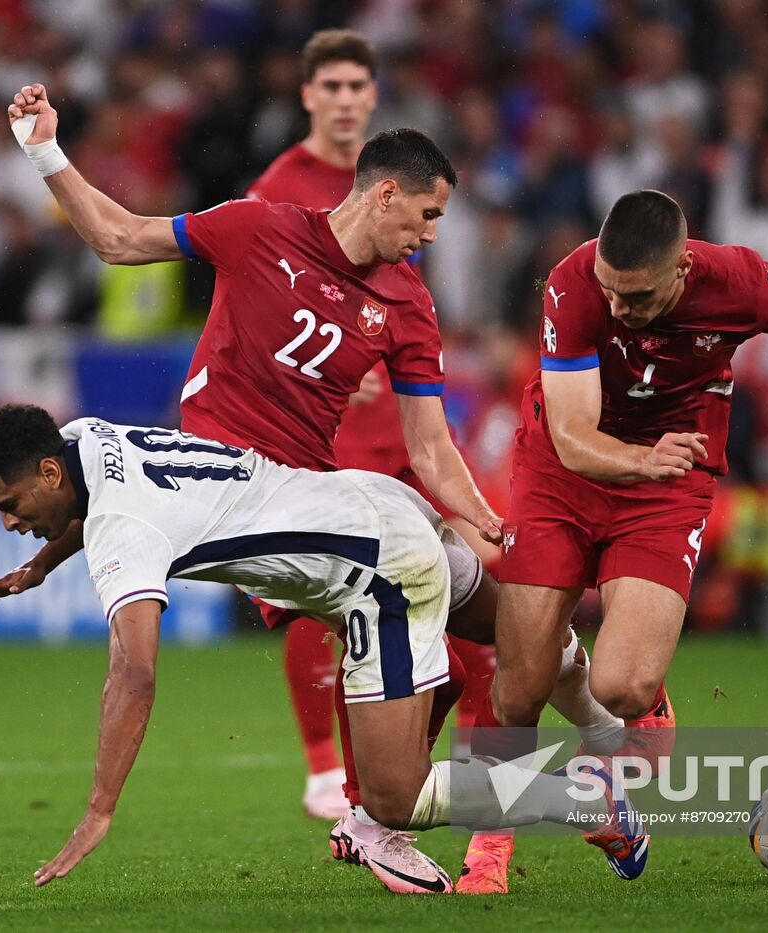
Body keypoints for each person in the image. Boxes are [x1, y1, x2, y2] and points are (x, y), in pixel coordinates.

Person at [0, 83, 619, 894]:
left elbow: (428, 440)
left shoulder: (407, 302)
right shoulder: (259, 226)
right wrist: (44, 150)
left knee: (464, 673)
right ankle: (574, 751)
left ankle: (575, 756)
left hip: (320, 514)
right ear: (384, 194)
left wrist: (484, 517)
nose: (431, 235)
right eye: (426, 215)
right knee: (475, 646)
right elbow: (119, 238)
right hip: (309, 509)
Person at [0, 405, 648, 891]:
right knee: (516, 634)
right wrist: (39, 567)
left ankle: (586, 802)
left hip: (376, 574)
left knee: (394, 798)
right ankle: (612, 729)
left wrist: (99, 810)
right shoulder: (83, 437)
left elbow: (134, 674)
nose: (8, 519)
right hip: (376, 499)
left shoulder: (120, 527)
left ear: (48, 471)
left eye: (10, 501)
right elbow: (84, 506)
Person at [479, 191, 768, 876]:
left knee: (622, 685)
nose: (620, 309)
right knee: (517, 687)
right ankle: (491, 849)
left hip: (666, 483)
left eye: (637, 296)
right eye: (611, 291)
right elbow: (570, 436)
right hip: (561, 473)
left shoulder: (739, 282)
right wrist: (638, 456)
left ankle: (631, 729)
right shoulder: (573, 283)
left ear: (683, 269)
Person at [244, 28, 501, 863]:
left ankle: (384, 801)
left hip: (406, 445)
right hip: (327, 451)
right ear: (309, 95)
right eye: (335, 86)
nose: (350, 98)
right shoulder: (282, 190)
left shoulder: (409, 184)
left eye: (362, 84)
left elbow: (406, 311)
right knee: (340, 618)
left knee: (455, 642)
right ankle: (343, 780)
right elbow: (251, 303)